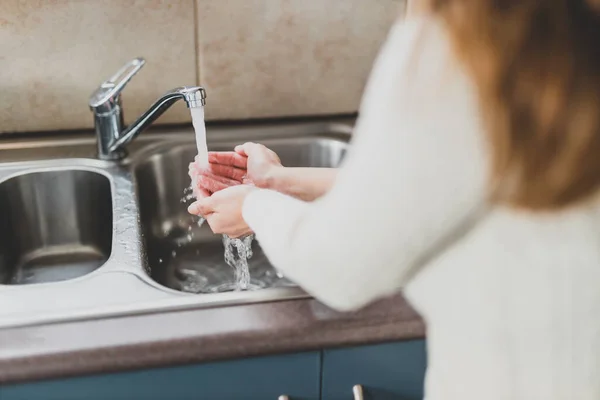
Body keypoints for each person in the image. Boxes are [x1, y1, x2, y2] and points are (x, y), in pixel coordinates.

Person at [188, 1, 600, 398]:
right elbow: (458, 178)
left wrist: (253, 207)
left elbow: (339, 264)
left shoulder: (462, 46)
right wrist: (281, 181)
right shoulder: (571, 35)